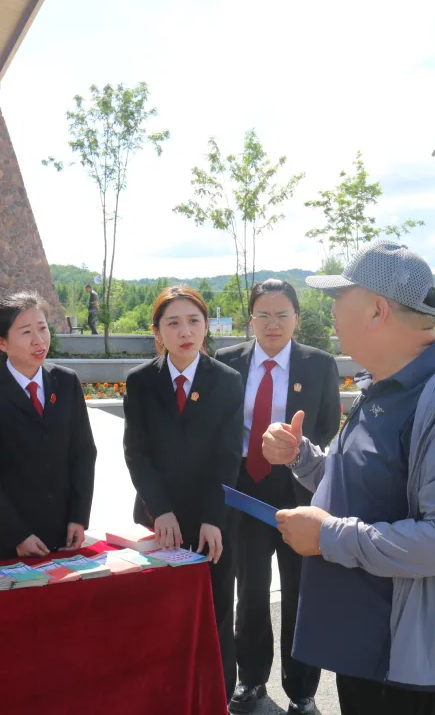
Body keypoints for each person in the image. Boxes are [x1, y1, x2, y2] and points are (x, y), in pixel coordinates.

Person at [262, 240, 435, 715]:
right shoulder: (382, 385)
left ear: (377, 310)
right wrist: (302, 458)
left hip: (412, 668)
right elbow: (361, 484)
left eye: (340, 298)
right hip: (365, 652)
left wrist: (329, 536)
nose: (332, 312)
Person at [215, 279, 339, 715]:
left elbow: (327, 426)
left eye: (282, 314)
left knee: (300, 592)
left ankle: (302, 691)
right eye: (263, 315)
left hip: (298, 491)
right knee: (249, 590)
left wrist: (296, 454)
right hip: (245, 493)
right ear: (250, 319)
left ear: (296, 319)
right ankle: (250, 679)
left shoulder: (319, 364)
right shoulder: (228, 362)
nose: (273, 323)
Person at [123, 285, 245, 701]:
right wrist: (161, 511)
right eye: (173, 323)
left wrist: (213, 517)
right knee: (159, 614)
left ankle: (218, 699)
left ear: (207, 326)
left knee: (214, 612)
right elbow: (136, 452)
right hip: (157, 519)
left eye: (194, 321)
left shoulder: (227, 381)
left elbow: (227, 457)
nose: (185, 331)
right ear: (157, 331)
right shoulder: (141, 381)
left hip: (213, 520)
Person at [0, 291, 96, 561]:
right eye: (26, 332)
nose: (39, 340)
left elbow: (83, 453)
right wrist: (18, 535)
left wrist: (79, 517)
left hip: (65, 532)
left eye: (43, 328)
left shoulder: (66, 382)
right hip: (10, 539)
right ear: (1, 341)